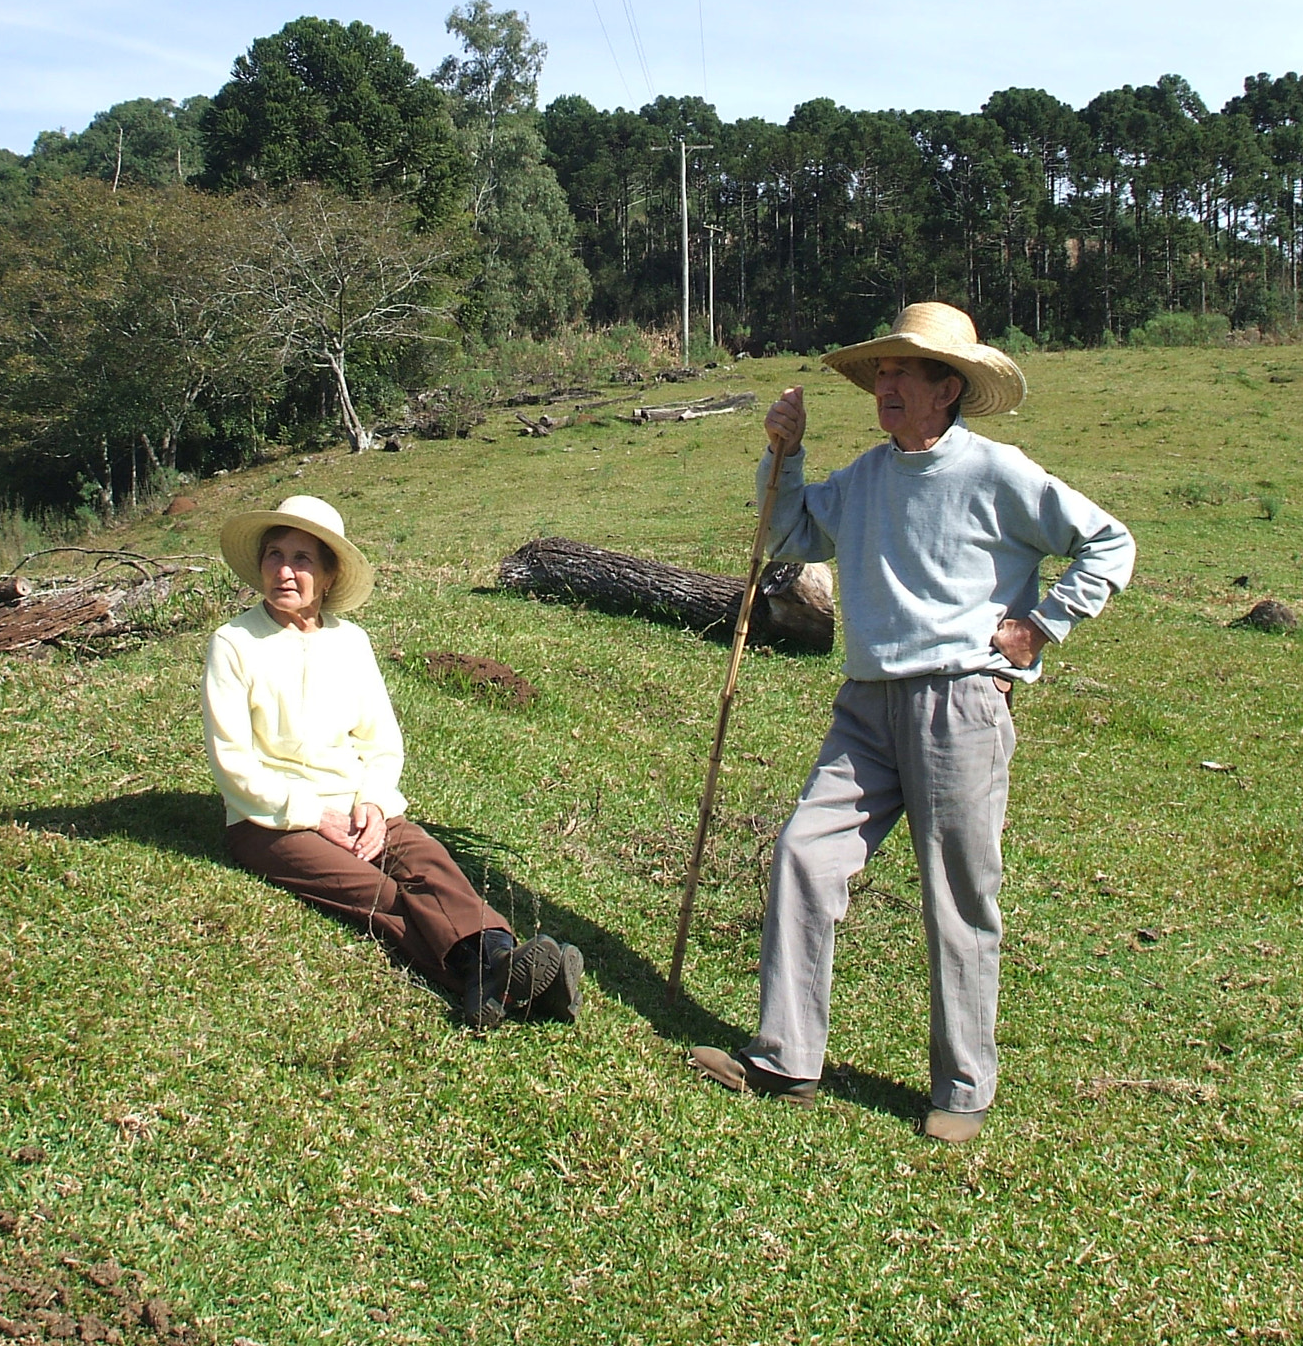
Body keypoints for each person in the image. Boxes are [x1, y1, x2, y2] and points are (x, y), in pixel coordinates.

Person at [690, 302, 1135, 1142]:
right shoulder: (863, 476)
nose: (886, 385)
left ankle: (963, 1089)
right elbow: (784, 531)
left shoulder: (998, 473)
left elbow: (1109, 542)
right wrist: (782, 454)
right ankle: (786, 1058)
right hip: (866, 707)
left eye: (903, 372)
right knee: (803, 855)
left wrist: (1040, 626)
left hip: (959, 704)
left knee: (958, 894)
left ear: (948, 388)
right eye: (882, 371)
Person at [203, 494, 582, 1030]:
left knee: (429, 863)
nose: (285, 571)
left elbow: (382, 743)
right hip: (271, 821)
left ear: (329, 576)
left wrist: (375, 806)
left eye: (302, 559)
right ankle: (500, 977)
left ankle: (499, 959)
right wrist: (316, 816)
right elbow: (233, 763)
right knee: (379, 894)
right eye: (274, 555)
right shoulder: (234, 643)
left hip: (359, 805)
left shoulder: (350, 642)